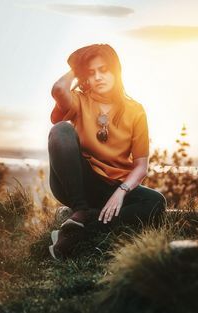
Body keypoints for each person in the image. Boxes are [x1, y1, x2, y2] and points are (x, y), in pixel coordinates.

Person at [48, 43, 167, 260]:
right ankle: (81, 210)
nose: (98, 77)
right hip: (77, 184)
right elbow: (58, 90)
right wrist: (78, 65)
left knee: (156, 202)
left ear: (116, 71)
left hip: (113, 188)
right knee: (61, 130)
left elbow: (141, 165)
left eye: (104, 70)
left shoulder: (135, 111)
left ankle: (78, 229)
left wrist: (121, 193)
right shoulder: (80, 99)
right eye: (91, 73)